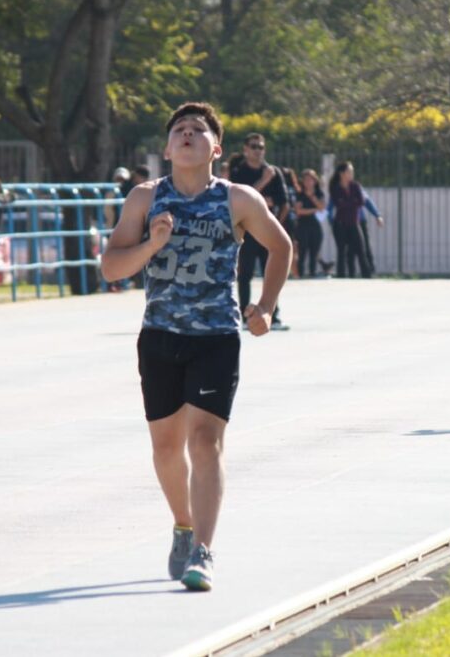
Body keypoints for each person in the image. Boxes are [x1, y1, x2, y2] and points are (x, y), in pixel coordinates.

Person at [100, 102, 291, 592]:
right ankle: (183, 525)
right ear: (167, 149)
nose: (187, 135)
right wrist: (150, 246)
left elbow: (281, 246)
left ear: (216, 148)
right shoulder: (145, 199)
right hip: (160, 336)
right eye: (179, 130)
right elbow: (111, 268)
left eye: (198, 130)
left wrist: (265, 306)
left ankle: (204, 552)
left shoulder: (238, 199)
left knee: (205, 442)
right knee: (166, 449)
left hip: (216, 337)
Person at [230, 133, 290, 329]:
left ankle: (272, 313)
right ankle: (245, 316)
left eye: (261, 147)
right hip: (247, 233)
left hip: (267, 233)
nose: (258, 151)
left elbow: (284, 203)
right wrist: (263, 183)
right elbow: (239, 199)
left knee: (271, 272)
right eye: (254, 146)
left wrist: (277, 227)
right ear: (245, 150)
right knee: (245, 275)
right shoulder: (239, 171)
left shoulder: (274, 172)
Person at [328, 161, 373, 278]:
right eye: (349, 171)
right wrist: (352, 202)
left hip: (354, 222)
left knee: (361, 249)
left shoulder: (355, 186)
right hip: (340, 224)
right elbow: (339, 204)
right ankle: (341, 275)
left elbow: (361, 201)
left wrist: (347, 202)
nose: (351, 174)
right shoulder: (335, 188)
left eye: (352, 172)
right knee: (342, 251)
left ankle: (366, 275)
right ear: (342, 174)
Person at [294, 169, 325, 278]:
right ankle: (300, 275)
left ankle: (312, 274)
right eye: (306, 179)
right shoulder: (300, 193)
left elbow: (322, 207)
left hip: (315, 225)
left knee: (314, 252)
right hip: (302, 225)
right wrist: (313, 210)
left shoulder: (319, 193)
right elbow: (298, 211)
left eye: (311, 179)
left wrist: (312, 197)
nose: (308, 182)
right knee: (302, 252)